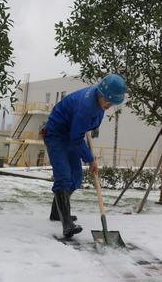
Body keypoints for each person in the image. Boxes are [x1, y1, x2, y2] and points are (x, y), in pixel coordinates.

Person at [42, 74, 126, 238]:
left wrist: (89, 131)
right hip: (56, 134)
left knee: (76, 178)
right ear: (100, 94)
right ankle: (67, 225)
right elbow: (76, 138)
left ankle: (56, 213)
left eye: (112, 103)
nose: (109, 105)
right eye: (107, 101)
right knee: (64, 177)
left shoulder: (99, 102)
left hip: (72, 135)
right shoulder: (86, 107)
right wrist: (89, 159)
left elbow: (82, 130)